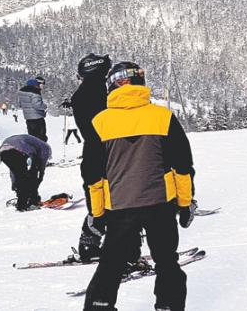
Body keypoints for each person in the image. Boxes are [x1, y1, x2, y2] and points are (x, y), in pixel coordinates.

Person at [84, 61, 195, 311]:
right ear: (140, 83)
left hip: (120, 206)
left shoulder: (100, 122)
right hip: (160, 204)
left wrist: (97, 213)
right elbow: (182, 167)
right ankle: (168, 306)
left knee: (111, 263)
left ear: (111, 86)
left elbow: (93, 176)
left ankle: (100, 306)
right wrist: (185, 204)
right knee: (167, 261)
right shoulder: (163, 117)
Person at [66, 53, 113, 262]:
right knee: (109, 203)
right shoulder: (104, 92)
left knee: (98, 203)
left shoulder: (84, 93)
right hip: (107, 153)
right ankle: (120, 247)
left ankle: (90, 245)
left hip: (94, 154)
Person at [0, 134, 52, 211]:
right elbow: (41, 166)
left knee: (22, 176)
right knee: (26, 178)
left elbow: (15, 172)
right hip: (18, 149)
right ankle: (22, 205)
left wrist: (15, 184)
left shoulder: (35, 144)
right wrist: (40, 177)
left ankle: (31, 199)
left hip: (4, 152)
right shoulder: (45, 148)